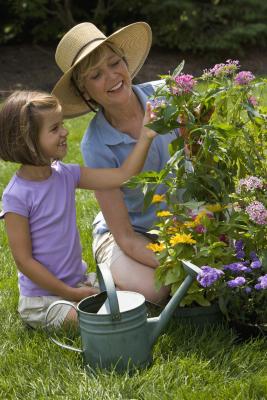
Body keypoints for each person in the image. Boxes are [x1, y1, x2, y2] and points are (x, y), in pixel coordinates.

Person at [0, 90, 156, 329]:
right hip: (43, 299)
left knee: (131, 306)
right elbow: (24, 261)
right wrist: (69, 293)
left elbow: (122, 176)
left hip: (78, 282)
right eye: (54, 129)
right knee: (105, 324)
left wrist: (145, 135)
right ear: (27, 141)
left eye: (61, 124)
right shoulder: (16, 196)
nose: (64, 132)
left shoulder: (66, 175)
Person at [52, 22, 177, 304]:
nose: (112, 76)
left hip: (184, 222)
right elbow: (125, 235)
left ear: (126, 62)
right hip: (131, 233)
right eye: (96, 75)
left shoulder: (166, 95)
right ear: (85, 91)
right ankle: (99, 284)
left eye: (114, 63)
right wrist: (178, 260)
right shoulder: (96, 144)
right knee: (155, 290)